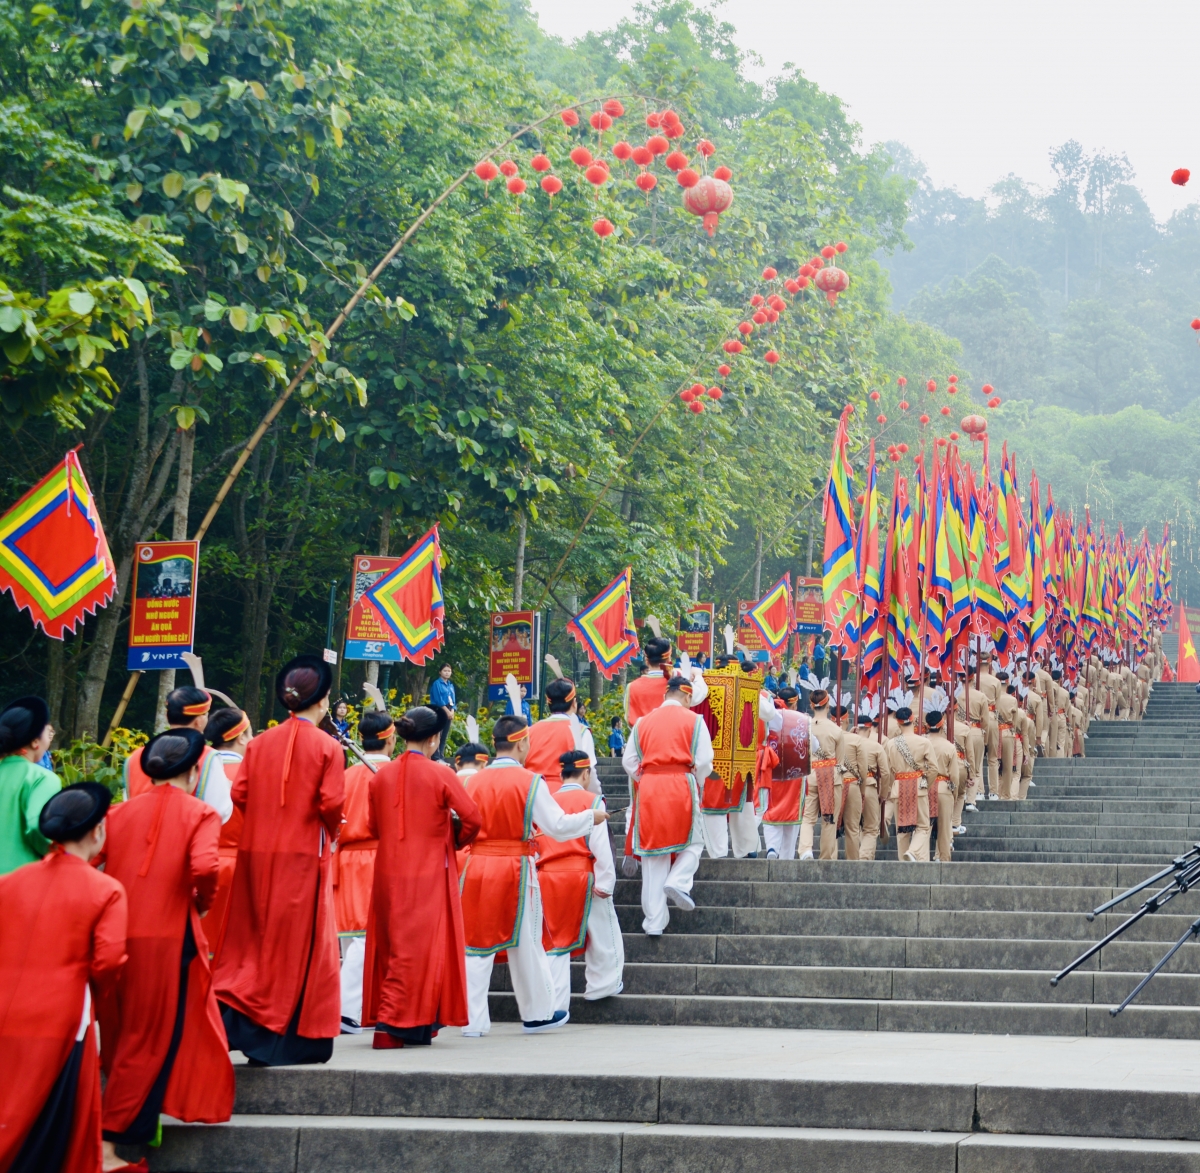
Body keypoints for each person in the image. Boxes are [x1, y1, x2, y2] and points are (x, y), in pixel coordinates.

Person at [98, 729, 233, 1168]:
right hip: (169, 936)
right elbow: (204, 867)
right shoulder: (200, 813)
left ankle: (119, 1134)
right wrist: (199, 903)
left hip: (117, 933)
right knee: (149, 1037)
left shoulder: (117, 814)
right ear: (195, 770)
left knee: (122, 1035)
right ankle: (110, 1145)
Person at [214, 654, 345, 1066]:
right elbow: (331, 803)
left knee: (254, 939)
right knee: (296, 944)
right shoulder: (328, 746)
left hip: (257, 852)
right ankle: (283, 1034)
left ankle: (242, 1017)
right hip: (304, 854)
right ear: (322, 700)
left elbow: (240, 795)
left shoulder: (258, 743)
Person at [0, 783, 127, 1173]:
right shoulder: (105, 889)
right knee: (54, 1115)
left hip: (6, 1006)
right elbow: (107, 962)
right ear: (96, 832)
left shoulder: (10, 882)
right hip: (63, 1012)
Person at [459, 714, 606, 1035]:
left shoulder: (472, 781)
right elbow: (557, 826)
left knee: (476, 943)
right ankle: (537, 1013)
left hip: (478, 866)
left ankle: (473, 1022)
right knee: (526, 942)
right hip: (515, 867)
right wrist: (590, 817)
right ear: (521, 742)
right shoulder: (531, 780)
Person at [361, 706, 481, 1049]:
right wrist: (453, 838)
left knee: (394, 945)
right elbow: (473, 819)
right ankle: (393, 1022)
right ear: (435, 737)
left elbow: (373, 826)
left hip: (387, 870)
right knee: (421, 949)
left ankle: (412, 1021)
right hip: (428, 870)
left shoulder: (380, 777)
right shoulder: (441, 774)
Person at [622, 675, 712, 935]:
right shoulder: (695, 721)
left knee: (653, 855)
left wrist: (645, 777)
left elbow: (628, 761)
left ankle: (653, 923)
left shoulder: (642, 722)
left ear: (665, 695)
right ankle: (679, 879)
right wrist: (697, 779)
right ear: (686, 696)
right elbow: (705, 761)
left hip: (650, 787)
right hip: (681, 784)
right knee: (694, 842)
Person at [538, 750, 624, 1014]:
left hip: (548, 876)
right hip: (582, 874)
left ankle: (550, 1005)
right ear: (586, 773)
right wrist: (606, 882)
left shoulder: (547, 801)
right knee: (604, 932)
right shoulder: (592, 800)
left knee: (554, 942)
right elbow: (601, 846)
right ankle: (602, 986)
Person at [336, 709, 394, 1035]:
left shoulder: (345, 776)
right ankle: (347, 1008)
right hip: (377, 857)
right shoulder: (392, 774)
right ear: (391, 738)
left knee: (351, 937)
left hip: (346, 858)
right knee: (362, 937)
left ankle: (360, 1006)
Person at [124, 687, 232, 825]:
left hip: (140, 840)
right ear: (199, 720)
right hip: (185, 840)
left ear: (166, 716)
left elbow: (128, 805)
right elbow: (220, 812)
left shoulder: (134, 757)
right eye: (206, 714)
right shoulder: (207, 756)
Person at [204, 707, 253, 956]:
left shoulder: (197, 772)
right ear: (242, 736)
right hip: (242, 866)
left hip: (202, 864)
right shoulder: (253, 772)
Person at [0, 695, 61, 875]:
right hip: (18, 882)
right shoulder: (42, 778)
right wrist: (65, 853)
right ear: (35, 741)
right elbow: (39, 827)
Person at [882, 704, 938, 862]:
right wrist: (925, 784)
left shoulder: (891, 744)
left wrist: (892, 787)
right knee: (922, 826)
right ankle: (913, 851)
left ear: (898, 723)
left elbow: (887, 770)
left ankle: (903, 860)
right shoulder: (924, 742)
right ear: (913, 721)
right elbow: (934, 768)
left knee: (902, 828)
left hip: (899, 787)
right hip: (918, 785)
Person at [797, 689, 847, 861]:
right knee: (829, 819)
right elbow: (840, 761)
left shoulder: (804, 726)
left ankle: (805, 850)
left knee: (808, 817)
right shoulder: (836, 730)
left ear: (811, 705)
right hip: (831, 776)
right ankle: (826, 857)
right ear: (828, 704)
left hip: (810, 773)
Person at [759, 686, 807, 860]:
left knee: (770, 810)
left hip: (770, 770)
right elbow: (814, 745)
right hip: (794, 775)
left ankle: (772, 847)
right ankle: (787, 856)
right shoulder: (801, 720)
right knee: (791, 814)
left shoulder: (766, 716)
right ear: (794, 704)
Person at [526, 678, 597, 793]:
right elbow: (590, 772)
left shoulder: (530, 732)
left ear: (548, 703)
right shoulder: (581, 731)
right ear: (574, 703)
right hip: (566, 798)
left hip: (532, 796)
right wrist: (595, 799)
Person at [922, 699, 962, 863]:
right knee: (945, 829)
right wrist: (955, 792)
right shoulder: (948, 746)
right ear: (942, 724)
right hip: (944, 787)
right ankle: (943, 857)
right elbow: (955, 776)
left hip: (924, 787)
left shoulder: (921, 743)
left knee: (923, 827)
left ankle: (922, 857)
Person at [624, 637, 673, 724]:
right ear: (669, 659)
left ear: (647, 661)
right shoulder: (676, 684)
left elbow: (629, 718)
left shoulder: (632, 687)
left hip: (641, 736)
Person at [428, 664, 456, 760]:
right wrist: (447, 711)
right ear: (440, 672)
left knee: (444, 735)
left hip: (449, 710)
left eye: (449, 671)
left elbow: (453, 700)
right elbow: (438, 700)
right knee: (437, 734)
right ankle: (435, 756)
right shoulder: (437, 684)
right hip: (439, 710)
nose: (447, 672)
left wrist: (452, 711)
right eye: (445, 670)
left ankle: (441, 755)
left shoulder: (450, 685)